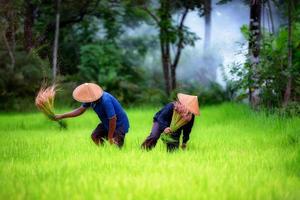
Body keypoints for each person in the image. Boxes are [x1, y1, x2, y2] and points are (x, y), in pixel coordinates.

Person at [54, 83, 129, 148]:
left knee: (115, 144)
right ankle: (104, 152)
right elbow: (80, 110)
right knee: (95, 136)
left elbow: (113, 119)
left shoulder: (105, 100)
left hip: (119, 124)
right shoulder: (91, 99)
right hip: (107, 122)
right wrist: (61, 116)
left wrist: (110, 137)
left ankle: (114, 154)